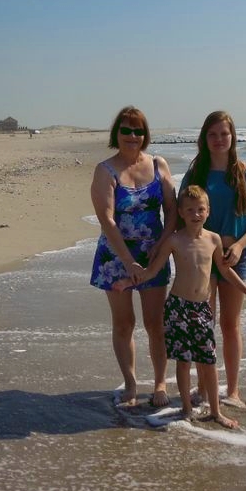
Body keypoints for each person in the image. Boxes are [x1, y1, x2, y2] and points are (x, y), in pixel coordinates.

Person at [115, 185, 246, 429]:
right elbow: (153, 270)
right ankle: (186, 409)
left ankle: (215, 412)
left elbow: (226, 271)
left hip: (202, 308)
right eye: (190, 210)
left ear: (208, 211)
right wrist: (129, 281)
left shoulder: (213, 239)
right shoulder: (174, 240)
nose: (196, 214)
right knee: (183, 362)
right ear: (181, 212)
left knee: (208, 361)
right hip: (178, 308)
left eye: (200, 209)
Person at [90, 106, 177, 408]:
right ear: (117, 133)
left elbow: (173, 211)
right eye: (126, 130)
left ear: (145, 134)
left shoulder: (158, 164)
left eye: (138, 130)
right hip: (116, 257)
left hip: (153, 256)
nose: (132, 136)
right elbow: (107, 219)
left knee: (156, 324)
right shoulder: (105, 170)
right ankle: (130, 383)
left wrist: (161, 246)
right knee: (124, 323)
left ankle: (160, 383)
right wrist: (128, 261)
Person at [180, 110, 246, 408]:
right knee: (204, 325)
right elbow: (180, 214)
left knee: (230, 325)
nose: (219, 139)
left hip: (234, 259)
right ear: (204, 138)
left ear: (233, 137)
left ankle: (232, 391)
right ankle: (204, 388)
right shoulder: (195, 175)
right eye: (213, 134)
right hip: (202, 260)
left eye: (224, 134)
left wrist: (240, 245)